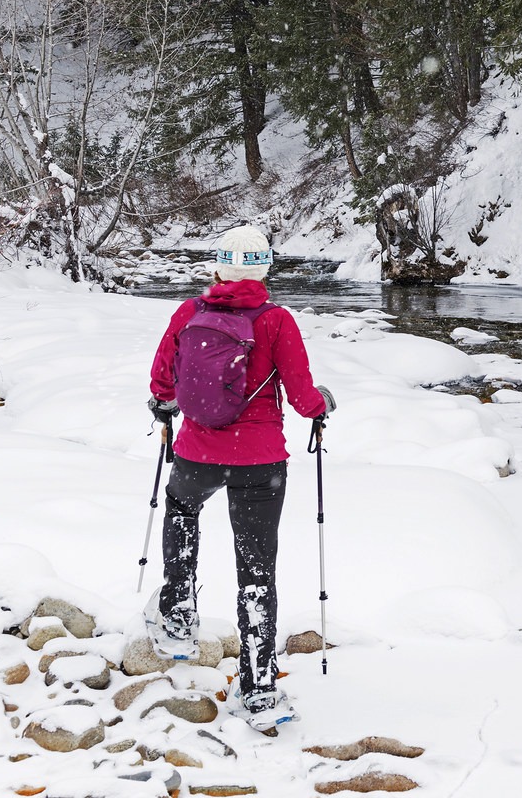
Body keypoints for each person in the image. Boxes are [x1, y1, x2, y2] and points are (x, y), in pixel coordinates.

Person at [145, 224, 335, 733]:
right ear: (264, 268)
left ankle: (178, 613)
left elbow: (163, 377)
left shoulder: (189, 313)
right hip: (260, 463)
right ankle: (258, 687)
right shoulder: (277, 322)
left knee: (182, 510)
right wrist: (324, 405)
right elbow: (301, 397)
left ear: (218, 266)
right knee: (257, 571)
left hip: (197, 452)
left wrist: (164, 406)